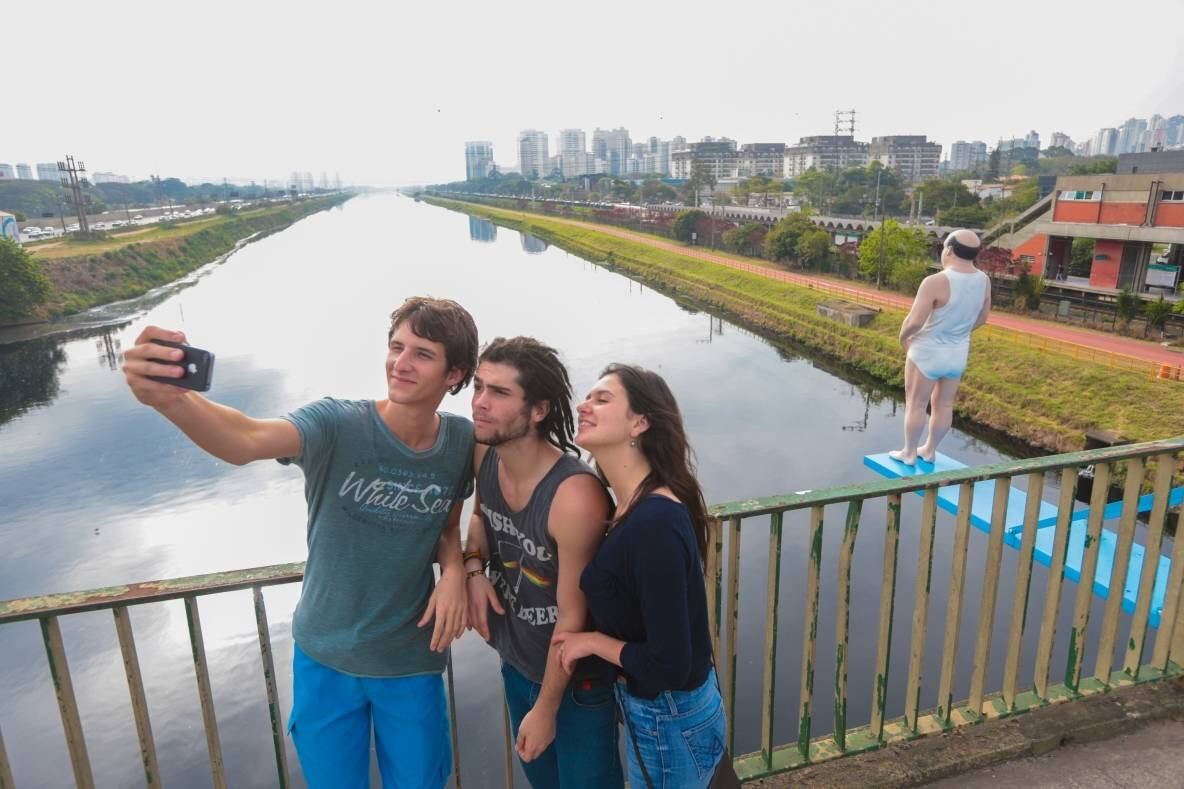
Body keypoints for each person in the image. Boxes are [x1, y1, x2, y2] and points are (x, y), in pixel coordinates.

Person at [121, 296, 479, 788]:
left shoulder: (460, 442)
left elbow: (446, 523)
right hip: (325, 656)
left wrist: (456, 569)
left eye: (422, 353)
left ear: (454, 375)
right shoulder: (338, 424)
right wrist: (172, 399)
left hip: (410, 660)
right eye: (396, 346)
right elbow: (244, 438)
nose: (400, 363)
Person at [551, 364, 726, 789]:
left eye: (602, 399)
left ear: (640, 422)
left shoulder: (654, 523)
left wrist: (590, 641)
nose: (584, 405)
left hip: (668, 718)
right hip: (665, 714)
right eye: (587, 397)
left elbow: (668, 663)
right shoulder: (631, 506)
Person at [464, 337, 623, 789]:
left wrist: (547, 708)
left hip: (575, 684)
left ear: (538, 410)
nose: (480, 402)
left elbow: (573, 617)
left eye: (499, 393)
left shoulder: (575, 496)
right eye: (478, 387)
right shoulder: (484, 454)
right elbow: (478, 518)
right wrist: (474, 570)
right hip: (517, 662)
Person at [889, 229, 992, 466]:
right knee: (944, 405)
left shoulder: (935, 281)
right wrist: (960, 334)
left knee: (916, 404)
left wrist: (903, 338)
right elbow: (983, 318)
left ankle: (909, 452)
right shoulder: (983, 280)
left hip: (927, 351)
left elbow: (914, 321)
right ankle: (930, 450)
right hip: (957, 353)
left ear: (949, 249)